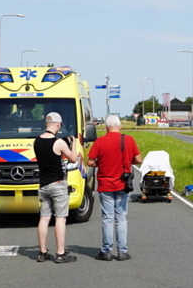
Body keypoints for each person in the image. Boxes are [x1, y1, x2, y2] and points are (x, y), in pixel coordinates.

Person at [86, 115, 142, 261]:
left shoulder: (100, 141)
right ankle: (122, 251)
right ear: (120, 126)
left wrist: (101, 163)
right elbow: (138, 160)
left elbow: (90, 162)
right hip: (123, 184)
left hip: (105, 184)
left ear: (106, 128)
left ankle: (106, 251)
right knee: (121, 218)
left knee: (107, 219)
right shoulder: (129, 140)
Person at [34, 112, 82, 262]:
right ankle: (60, 253)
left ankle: (42, 252)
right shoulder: (59, 142)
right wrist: (73, 144)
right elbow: (73, 158)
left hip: (43, 184)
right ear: (57, 124)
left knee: (44, 218)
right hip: (58, 184)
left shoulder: (36, 141)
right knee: (60, 219)